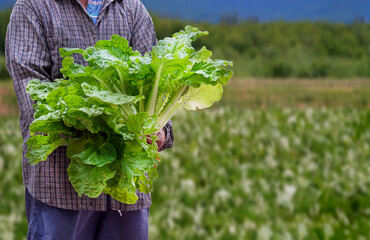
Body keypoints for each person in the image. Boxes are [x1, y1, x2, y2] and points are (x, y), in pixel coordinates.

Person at [5, 0, 174, 239]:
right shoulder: (33, 7)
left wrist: (160, 130)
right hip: (60, 189)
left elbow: (157, 80)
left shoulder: (132, 9)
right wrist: (104, 129)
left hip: (125, 191)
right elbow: (32, 92)